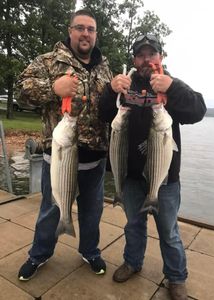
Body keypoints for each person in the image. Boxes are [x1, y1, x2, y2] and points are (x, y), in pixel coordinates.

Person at [98, 34, 206, 300]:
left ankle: (176, 277)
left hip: (164, 176)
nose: (147, 59)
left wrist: (172, 87)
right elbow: (104, 114)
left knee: (168, 231)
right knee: (133, 225)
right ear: (134, 59)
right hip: (132, 175)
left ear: (161, 57)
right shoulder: (125, 84)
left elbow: (198, 110)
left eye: (152, 54)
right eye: (141, 54)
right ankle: (132, 262)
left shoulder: (171, 86)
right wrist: (111, 90)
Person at [16, 9, 120, 281]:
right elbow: (21, 91)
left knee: (92, 211)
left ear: (96, 34)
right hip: (59, 156)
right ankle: (39, 254)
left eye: (91, 29)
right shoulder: (48, 61)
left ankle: (90, 250)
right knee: (51, 209)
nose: (86, 33)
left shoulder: (104, 67)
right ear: (70, 30)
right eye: (80, 28)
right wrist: (53, 88)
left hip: (95, 159)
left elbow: (109, 107)